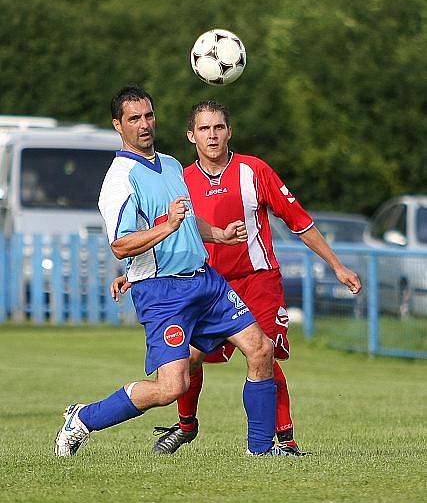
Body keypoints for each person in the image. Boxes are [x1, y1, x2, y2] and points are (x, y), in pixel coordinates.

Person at [112, 99, 362, 456]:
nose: (212, 136)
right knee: (189, 360)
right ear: (190, 135)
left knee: (264, 352)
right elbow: (159, 230)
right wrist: (130, 274)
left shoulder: (255, 171)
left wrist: (337, 266)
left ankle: (284, 441)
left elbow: (299, 221)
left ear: (229, 131)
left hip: (257, 281)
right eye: (203, 128)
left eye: (218, 127)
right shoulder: (178, 178)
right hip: (205, 284)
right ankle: (185, 426)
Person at [55, 86, 292, 458]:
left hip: (204, 280)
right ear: (118, 125)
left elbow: (186, 219)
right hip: (162, 292)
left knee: (260, 349)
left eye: (148, 115)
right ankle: (83, 418)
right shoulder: (119, 180)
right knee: (171, 388)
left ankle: (261, 452)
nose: (144, 124)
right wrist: (165, 228)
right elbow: (121, 245)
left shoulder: (167, 163)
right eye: (134, 119)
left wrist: (219, 234)